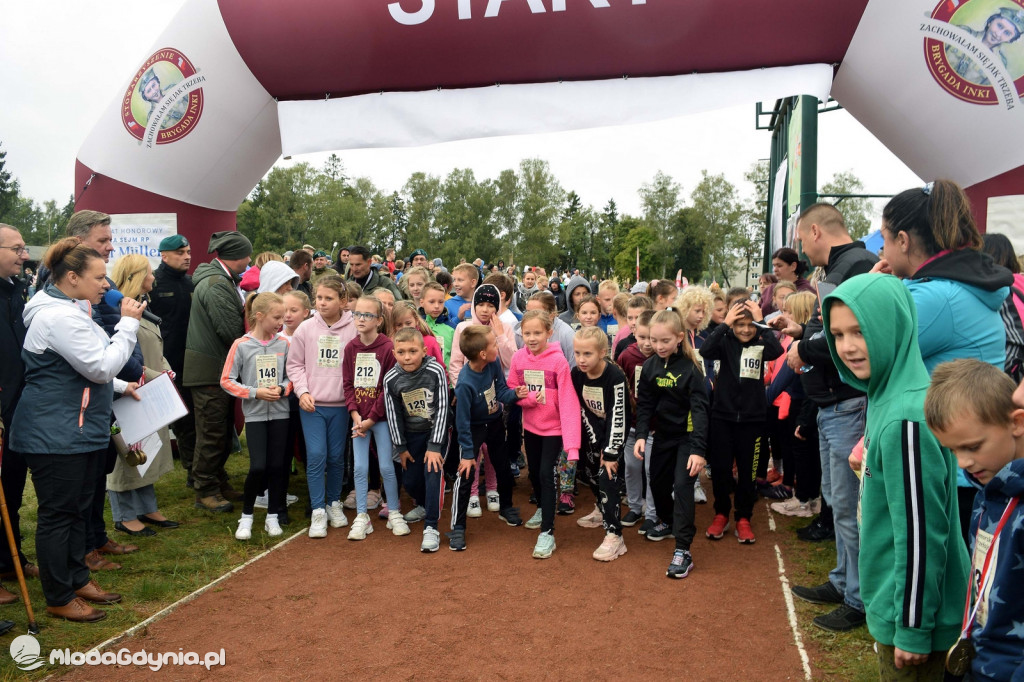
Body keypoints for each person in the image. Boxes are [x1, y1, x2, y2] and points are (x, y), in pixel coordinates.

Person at [822, 274, 968, 676]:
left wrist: (913, 628)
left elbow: (922, 534)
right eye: (837, 334)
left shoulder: (906, 418)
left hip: (912, 613)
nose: (847, 346)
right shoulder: (889, 392)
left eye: (860, 331)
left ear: (893, 326)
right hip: (896, 597)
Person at [12, 238, 144, 622]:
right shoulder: (59, 317)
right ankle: (58, 595)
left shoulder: (69, 309)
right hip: (56, 430)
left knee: (77, 509)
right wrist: (128, 326)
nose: (107, 284)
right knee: (59, 514)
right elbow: (100, 367)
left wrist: (120, 387)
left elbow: (85, 369)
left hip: (78, 425)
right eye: (99, 276)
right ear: (72, 278)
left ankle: (76, 578)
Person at [877, 180, 1012, 545]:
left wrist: (868, 292)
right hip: (967, 456)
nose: (883, 252)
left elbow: (867, 354)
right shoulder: (953, 287)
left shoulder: (936, 296)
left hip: (955, 466)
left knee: (939, 574)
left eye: (885, 240)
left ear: (903, 241)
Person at [781, 203, 877, 633]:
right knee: (837, 501)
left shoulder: (857, 266)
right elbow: (828, 330)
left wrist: (805, 348)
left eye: (802, 238)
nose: (801, 247)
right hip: (830, 404)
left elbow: (854, 335)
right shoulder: (844, 266)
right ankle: (843, 581)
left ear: (815, 230)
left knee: (851, 507)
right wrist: (804, 334)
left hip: (847, 403)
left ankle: (857, 597)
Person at [925, 359, 1024, 682]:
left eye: (972, 447)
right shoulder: (988, 488)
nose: (964, 463)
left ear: (1017, 422)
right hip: (979, 659)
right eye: (953, 451)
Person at [699, 298, 783, 544]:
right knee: (722, 470)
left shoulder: (761, 341)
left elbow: (776, 351)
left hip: (753, 419)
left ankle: (743, 517)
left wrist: (762, 322)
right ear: (731, 324)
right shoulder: (724, 341)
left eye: (750, 325)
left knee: (748, 472)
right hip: (722, 418)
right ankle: (721, 513)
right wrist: (724, 325)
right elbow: (705, 351)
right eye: (739, 324)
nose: (745, 329)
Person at [633, 309, 709, 578]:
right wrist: (641, 434)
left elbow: (701, 411)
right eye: (654, 340)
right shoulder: (651, 366)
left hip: (688, 438)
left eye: (665, 341)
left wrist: (699, 451)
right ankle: (668, 522)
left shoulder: (692, 368)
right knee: (657, 484)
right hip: (662, 436)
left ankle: (683, 549)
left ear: (679, 337)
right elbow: (645, 405)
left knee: (682, 484)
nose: (658, 346)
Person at [107, 256, 178, 537]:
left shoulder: (141, 308)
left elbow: (155, 349)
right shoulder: (118, 311)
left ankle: (147, 506)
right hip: (129, 390)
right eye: (150, 273)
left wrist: (166, 372)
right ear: (137, 276)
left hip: (150, 389)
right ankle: (124, 515)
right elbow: (122, 357)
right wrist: (154, 376)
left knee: (148, 448)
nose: (154, 278)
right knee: (127, 452)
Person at [184, 230, 253, 513]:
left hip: (215, 369)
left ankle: (217, 480)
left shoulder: (221, 280)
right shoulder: (216, 284)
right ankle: (205, 489)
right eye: (247, 255)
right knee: (211, 433)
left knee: (222, 431)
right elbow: (229, 331)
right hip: (210, 371)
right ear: (238, 256)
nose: (249, 261)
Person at [507, 310, 581, 559]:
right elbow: (512, 389)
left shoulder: (558, 362)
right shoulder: (518, 358)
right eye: (527, 333)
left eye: (537, 332)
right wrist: (527, 399)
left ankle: (547, 532)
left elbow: (570, 403)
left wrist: (572, 446)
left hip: (554, 429)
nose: (531, 338)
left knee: (546, 474)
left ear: (549, 333)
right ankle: (541, 507)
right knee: (535, 474)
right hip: (531, 427)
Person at [287, 276, 356, 538]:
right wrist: (302, 391)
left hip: (342, 406)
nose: (323, 303)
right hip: (312, 406)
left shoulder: (353, 329)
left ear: (343, 301)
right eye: (319, 298)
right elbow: (294, 365)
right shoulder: (305, 329)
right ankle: (317, 510)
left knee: (337, 457)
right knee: (316, 456)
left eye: (329, 298)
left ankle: (332, 503)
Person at [221, 292, 292, 540]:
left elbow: (291, 375)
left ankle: (273, 516)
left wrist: (283, 389)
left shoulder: (284, 344)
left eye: (283, 317)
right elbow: (226, 381)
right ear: (259, 316)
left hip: (281, 415)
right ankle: (247, 516)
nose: (281, 322)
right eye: (276, 317)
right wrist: (254, 393)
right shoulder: (241, 345)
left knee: (276, 466)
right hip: (255, 417)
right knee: (258, 466)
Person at [450, 326, 526, 551]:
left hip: (493, 424)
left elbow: (501, 391)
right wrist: (466, 454)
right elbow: (461, 422)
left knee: (502, 467)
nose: (497, 347)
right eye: (494, 344)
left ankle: (506, 507)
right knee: (465, 476)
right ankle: (458, 527)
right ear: (483, 353)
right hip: (472, 430)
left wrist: (515, 394)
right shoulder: (464, 383)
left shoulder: (492, 364)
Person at [344, 296, 409, 540]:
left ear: (379, 320)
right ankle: (362, 516)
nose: (361, 319)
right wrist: (355, 414)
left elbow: (387, 388)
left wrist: (371, 418)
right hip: (358, 419)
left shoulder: (387, 348)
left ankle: (394, 511)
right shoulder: (351, 347)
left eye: (367, 315)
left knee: (385, 466)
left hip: (380, 419)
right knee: (359, 467)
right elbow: (348, 384)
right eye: (357, 314)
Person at [383, 328, 451, 552]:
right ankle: (423, 504)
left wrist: (435, 446)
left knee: (432, 475)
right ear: (394, 353)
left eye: (413, 351)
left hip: (435, 433)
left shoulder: (435, 370)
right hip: (410, 437)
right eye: (401, 352)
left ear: (424, 350)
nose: (407, 357)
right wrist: (400, 447)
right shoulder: (391, 379)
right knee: (411, 481)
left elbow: (442, 407)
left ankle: (431, 527)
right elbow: (393, 415)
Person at [571, 327, 631, 561]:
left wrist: (611, 451)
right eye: (577, 353)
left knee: (607, 476)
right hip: (591, 432)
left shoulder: (614, 376)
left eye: (588, 354)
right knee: (590, 475)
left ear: (602, 352)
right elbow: (578, 406)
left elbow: (619, 415)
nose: (581, 360)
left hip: (614, 433)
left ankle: (615, 535)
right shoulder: (576, 373)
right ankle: (600, 509)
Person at [0, 224, 36, 610]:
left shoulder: (18, 291)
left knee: (11, 488)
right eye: (16, 248)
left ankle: (11, 560)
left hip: (17, 407)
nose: (24, 255)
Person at [148, 234, 195, 488]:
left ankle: (192, 470)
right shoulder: (154, 283)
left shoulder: (191, 283)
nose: (186, 256)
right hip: (165, 363)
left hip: (191, 361)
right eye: (180, 252)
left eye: (187, 251)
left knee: (191, 417)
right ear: (164, 255)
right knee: (177, 418)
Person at [618, 310, 657, 531]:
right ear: (635, 333)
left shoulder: (664, 356)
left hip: (655, 427)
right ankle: (635, 506)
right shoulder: (627, 355)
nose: (647, 343)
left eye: (651, 337)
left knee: (651, 470)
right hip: (631, 425)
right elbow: (618, 381)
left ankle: (651, 513)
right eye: (642, 337)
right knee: (632, 467)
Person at [946, 7, 1024, 87]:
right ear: (990, 22)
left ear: (1010, 40)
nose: (998, 34)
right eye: (1000, 26)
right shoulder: (961, 32)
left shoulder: (998, 64)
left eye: (1007, 33)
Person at [760, 247, 814, 317]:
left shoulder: (807, 290)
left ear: (793, 266)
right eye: (774, 266)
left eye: (779, 266)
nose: (775, 269)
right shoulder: (769, 290)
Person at [420, 282, 455, 366]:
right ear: (422, 302)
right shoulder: (417, 326)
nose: (436, 306)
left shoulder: (452, 328)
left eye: (440, 302)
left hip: (445, 375)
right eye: (432, 302)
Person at [445, 263, 480, 328]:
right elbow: (444, 329)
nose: (455, 284)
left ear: (473, 283)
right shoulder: (448, 304)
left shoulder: (482, 304)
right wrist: (458, 318)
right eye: (454, 280)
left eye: (460, 280)